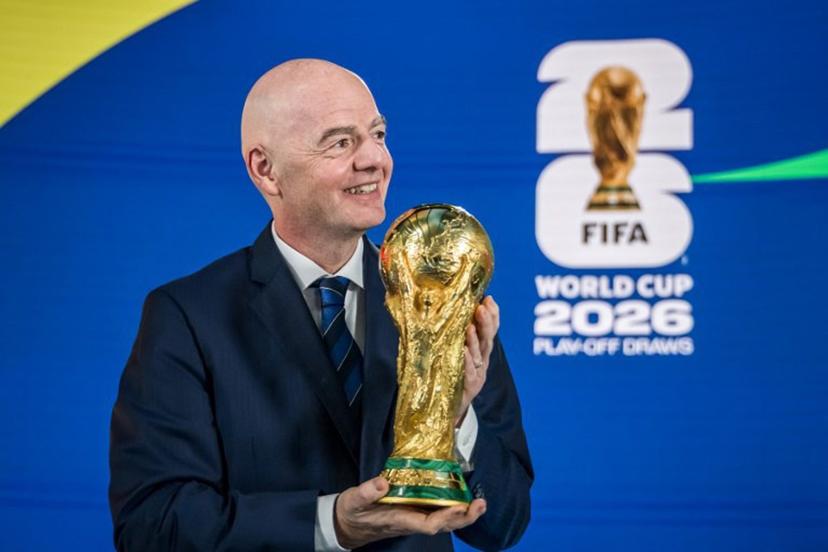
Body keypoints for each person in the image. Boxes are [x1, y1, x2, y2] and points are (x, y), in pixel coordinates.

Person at [109, 59, 532, 551]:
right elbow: (153, 527)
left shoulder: (444, 296)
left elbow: (505, 523)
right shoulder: (187, 317)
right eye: (340, 142)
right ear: (266, 170)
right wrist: (332, 524)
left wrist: (453, 422)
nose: (375, 159)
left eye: (378, 134)